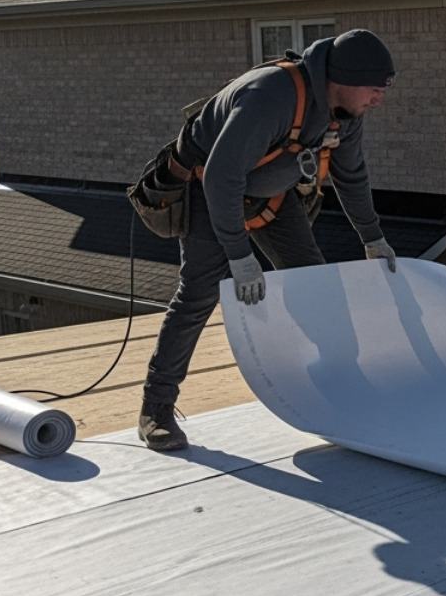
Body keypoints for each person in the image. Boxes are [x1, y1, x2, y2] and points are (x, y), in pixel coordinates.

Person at [139, 28, 399, 451]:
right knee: (199, 294)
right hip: (210, 190)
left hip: (270, 194)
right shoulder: (272, 95)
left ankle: (341, 388)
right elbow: (222, 176)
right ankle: (157, 408)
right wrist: (240, 258)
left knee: (312, 281)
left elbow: (352, 177)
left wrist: (373, 237)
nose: (378, 99)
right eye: (374, 89)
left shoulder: (345, 116)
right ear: (345, 80)